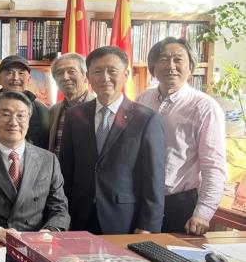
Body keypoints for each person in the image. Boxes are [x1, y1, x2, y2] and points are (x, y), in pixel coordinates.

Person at [59, 46, 166, 235]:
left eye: (112, 71)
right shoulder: (75, 115)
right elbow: (66, 170)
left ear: (126, 75)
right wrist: (62, 215)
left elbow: (154, 178)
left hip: (124, 218)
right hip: (79, 215)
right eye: (97, 71)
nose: (105, 77)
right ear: (88, 77)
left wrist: (148, 225)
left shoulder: (146, 119)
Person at [137, 37, 226, 235]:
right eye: (163, 59)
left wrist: (203, 213)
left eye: (178, 59)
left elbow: (214, 166)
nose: (171, 66)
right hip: (141, 200)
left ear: (190, 66)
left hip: (179, 205)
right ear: (153, 66)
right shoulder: (143, 99)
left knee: (172, 254)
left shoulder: (205, 107)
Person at [0, 91, 70, 243]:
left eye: (21, 115)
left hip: (36, 242)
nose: (13, 122)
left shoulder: (48, 160)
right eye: (6, 115)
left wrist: (49, 231)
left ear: (28, 120)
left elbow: (59, 208)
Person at [0, 55, 49, 148]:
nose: (15, 78)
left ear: (29, 79)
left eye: (21, 73)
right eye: (9, 73)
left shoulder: (42, 111)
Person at [48, 53, 95, 155]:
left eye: (71, 71)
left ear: (85, 76)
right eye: (59, 73)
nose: (65, 77)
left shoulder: (99, 109)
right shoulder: (53, 111)